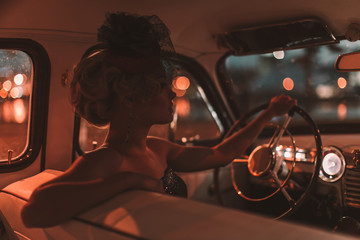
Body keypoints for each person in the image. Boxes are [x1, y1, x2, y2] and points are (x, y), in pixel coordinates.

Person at [21, 12, 297, 228]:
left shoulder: (157, 148)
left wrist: (268, 115)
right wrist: (128, 181)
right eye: (159, 85)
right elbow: (34, 211)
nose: (171, 92)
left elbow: (220, 153)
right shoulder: (106, 160)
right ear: (130, 98)